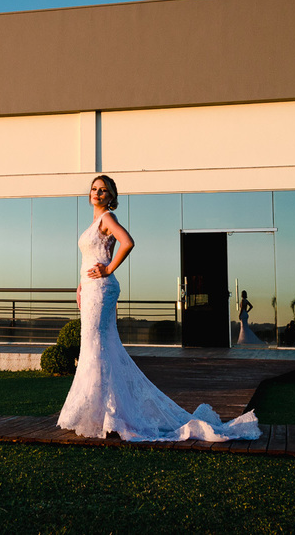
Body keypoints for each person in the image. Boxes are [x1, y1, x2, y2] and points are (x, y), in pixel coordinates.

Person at [57, 175, 261, 442]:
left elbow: (128, 242)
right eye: (94, 189)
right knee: (95, 346)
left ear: (111, 196)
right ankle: (98, 414)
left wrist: (108, 269)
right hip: (90, 288)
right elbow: (90, 257)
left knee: (97, 346)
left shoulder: (107, 218)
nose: (97, 193)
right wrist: (81, 285)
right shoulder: (94, 223)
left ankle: (106, 416)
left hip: (102, 288)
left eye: (103, 190)